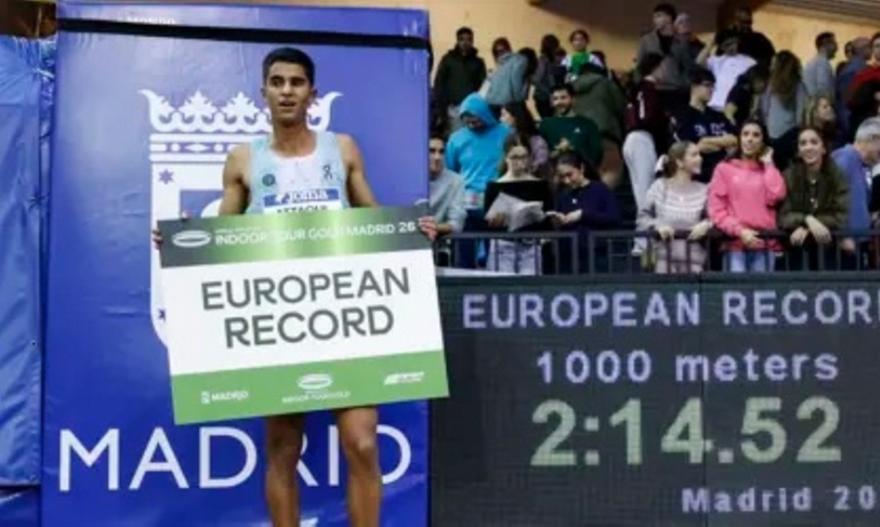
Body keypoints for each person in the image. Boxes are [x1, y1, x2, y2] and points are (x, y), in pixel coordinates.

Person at [154, 47, 436, 527]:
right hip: (279, 323)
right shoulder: (243, 159)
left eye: (297, 82)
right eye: (278, 82)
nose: (287, 91)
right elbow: (223, 239)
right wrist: (184, 242)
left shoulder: (341, 149)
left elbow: (373, 222)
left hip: (343, 317)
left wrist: (414, 231)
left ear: (312, 93)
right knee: (284, 450)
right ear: (263, 92)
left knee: (363, 442)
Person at [708, 119, 787, 273]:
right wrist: (741, 231)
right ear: (739, 138)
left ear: (763, 142)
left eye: (756, 135)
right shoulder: (724, 169)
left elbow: (777, 195)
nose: (750, 139)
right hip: (734, 245)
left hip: (764, 244)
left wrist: (769, 164)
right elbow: (717, 211)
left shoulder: (768, 169)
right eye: (745, 134)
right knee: (736, 288)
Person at [445, 93, 511, 267]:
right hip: (466, 203)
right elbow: (450, 171)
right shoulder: (456, 139)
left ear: (485, 114)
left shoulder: (506, 133)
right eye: (466, 120)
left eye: (475, 120)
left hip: (498, 202)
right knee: (464, 253)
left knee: (497, 258)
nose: (471, 124)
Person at [780, 127, 849, 270]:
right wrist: (808, 220)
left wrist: (808, 227)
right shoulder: (788, 176)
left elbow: (840, 216)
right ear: (799, 150)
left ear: (823, 148)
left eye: (814, 142)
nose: (808, 147)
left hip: (828, 250)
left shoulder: (837, 175)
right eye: (803, 143)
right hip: (796, 250)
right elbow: (783, 216)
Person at [637, 141, 712, 273]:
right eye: (694, 155)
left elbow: (716, 217)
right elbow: (642, 218)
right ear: (679, 162)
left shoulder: (704, 189)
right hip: (662, 260)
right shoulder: (660, 186)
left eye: (699, 155)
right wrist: (657, 226)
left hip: (694, 260)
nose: (700, 158)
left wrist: (707, 224)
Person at [483, 136, 554, 275]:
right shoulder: (494, 186)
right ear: (506, 157)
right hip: (503, 245)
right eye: (514, 157)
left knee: (530, 284)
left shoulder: (540, 185)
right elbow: (486, 223)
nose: (519, 162)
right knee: (504, 283)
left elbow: (548, 217)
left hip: (531, 245)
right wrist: (494, 221)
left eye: (523, 157)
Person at [548, 148, 621, 273]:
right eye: (562, 177)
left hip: (596, 255)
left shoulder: (600, 190)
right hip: (568, 257)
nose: (566, 180)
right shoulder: (562, 194)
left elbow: (614, 218)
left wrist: (583, 215)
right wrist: (557, 220)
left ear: (581, 168)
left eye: (570, 175)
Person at [674, 67, 738, 183]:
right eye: (707, 85)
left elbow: (734, 140)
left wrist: (707, 140)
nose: (711, 90)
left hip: (723, 174)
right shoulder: (683, 116)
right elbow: (693, 147)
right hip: (697, 177)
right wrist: (722, 142)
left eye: (713, 86)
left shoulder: (718, 115)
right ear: (694, 86)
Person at [623, 52, 668, 216]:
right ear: (656, 68)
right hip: (642, 138)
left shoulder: (637, 88)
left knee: (640, 190)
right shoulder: (648, 89)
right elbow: (647, 117)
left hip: (632, 139)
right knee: (646, 189)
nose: (665, 71)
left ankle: (642, 229)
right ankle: (646, 228)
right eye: (663, 67)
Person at [832, 118, 880, 268]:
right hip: (844, 245)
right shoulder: (845, 158)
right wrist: (842, 236)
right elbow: (829, 198)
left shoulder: (862, 165)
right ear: (873, 139)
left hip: (858, 242)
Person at [636, 3, 693, 113]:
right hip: (653, 89)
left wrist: (685, 85)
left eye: (659, 16)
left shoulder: (681, 41)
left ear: (669, 17)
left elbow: (687, 66)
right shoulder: (646, 40)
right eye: (654, 17)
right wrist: (640, 86)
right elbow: (639, 65)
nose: (655, 20)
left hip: (676, 90)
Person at [433, 27, 487, 133]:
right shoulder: (448, 60)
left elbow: (483, 88)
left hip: (472, 110)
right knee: (456, 139)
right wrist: (441, 111)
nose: (465, 42)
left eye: (469, 39)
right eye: (462, 39)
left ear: (472, 41)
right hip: (453, 110)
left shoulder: (478, 62)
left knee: (472, 139)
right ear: (457, 41)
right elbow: (439, 85)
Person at [538, 84, 603, 170]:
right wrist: (558, 151)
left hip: (583, 172)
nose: (559, 102)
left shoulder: (588, 124)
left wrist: (572, 148)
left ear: (573, 99)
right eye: (555, 99)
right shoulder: (545, 125)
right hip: (554, 173)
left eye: (563, 98)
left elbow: (596, 154)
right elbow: (540, 155)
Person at [761, 51, 807, 171]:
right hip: (790, 134)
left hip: (772, 134)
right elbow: (801, 115)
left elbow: (765, 109)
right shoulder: (799, 86)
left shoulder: (771, 86)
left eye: (773, 64)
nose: (770, 67)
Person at [697, 29, 756, 112]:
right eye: (727, 45)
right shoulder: (716, 60)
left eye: (733, 43)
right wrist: (711, 44)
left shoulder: (749, 62)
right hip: (714, 104)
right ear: (721, 47)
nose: (731, 47)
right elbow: (699, 62)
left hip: (736, 107)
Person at [428, 134, 467, 237]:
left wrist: (433, 227)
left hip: (440, 241)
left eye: (441, 152)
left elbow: (457, 224)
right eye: (431, 151)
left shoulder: (456, 180)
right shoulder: (409, 178)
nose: (437, 157)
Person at [500, 103, 550, 174]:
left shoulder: (537, 141)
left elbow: (541, 163)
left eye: (504, 115)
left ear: (515, 116)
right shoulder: (509, 138)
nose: (501, 119)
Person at [837, 37, 871, 137]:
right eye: (870, 46)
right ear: (862, 49)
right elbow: (845, 101)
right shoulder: (855, 70)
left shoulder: (857, 67)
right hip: (853, 123)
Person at [484, 38, 529, 106]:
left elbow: (486, 89)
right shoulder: (518, 61)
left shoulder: (499, 67)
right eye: (497, 52)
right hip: (508, 103)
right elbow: (516, 87)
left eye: (501, 51)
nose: (500, 54)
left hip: (493, 103)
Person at [533, 34, 565, 118]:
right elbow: (536, 80)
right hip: (543, 98)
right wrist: (549, 92)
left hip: (548, 96)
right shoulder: (543, 60)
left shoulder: (551, 60)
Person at [804, 32, 838, 100]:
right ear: (826, 45)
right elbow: (823, 90)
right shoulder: (822, 63)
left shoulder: (816, 62)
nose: (836, 48)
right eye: (834, 44)